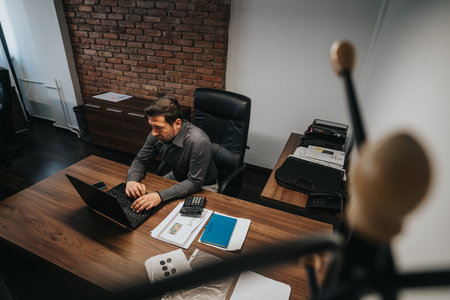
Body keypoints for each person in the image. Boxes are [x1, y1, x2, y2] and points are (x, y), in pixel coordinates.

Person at [126, 95, 217, 213]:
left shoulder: (198, 141)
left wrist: (160, 196)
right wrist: (132, 180)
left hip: (204, 186)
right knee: (145, 204)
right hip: (177, 176)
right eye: (152, 126)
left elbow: (195, 182)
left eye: (158, 127)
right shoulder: (156, 134)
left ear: (177, 123)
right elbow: (140, 160)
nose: (153, 133)